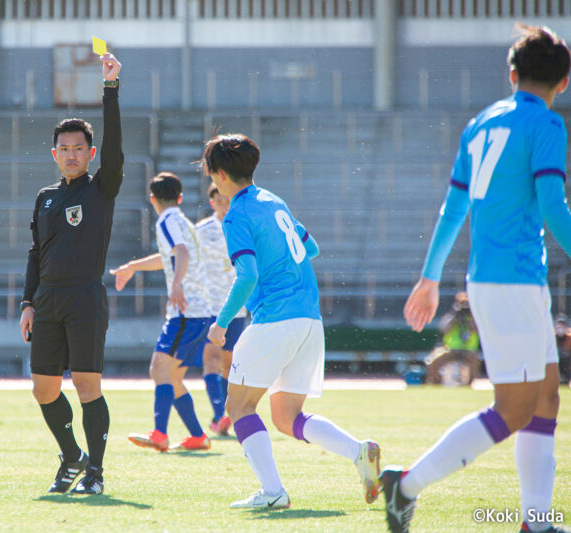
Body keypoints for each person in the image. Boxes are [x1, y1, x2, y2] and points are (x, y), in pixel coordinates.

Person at [386, 25, 571, 533]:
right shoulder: (547, 126)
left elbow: (454, 207)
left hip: (498, 280)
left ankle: (536, 521)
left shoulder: (480, 123)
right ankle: (405, 485)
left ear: (512, 75)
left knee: (548, 396)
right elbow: (555, 208)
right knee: (512, 410)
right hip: (513, 282)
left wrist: (430, 276)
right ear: (565, 81)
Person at [202, 134, 382, 509]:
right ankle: (358, 451)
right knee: (287, 417)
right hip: (309, 319)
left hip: (274, 320)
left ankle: (273, 493)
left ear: (218, 174)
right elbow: (311, 248)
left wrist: (221, 324)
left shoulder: (235, 214)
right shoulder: (273, 200)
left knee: (239, 408)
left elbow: (247, 275)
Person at [19, 53, 123, 496]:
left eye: (79, 148)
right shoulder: (44, 197)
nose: (71, 154)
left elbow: (116, 148)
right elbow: (35, 252)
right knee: (43, 390)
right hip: (47, 300)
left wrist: (110, 90)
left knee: (85, 385)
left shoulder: (101, 188)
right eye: (64, 148)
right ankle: (72, 456)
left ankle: (95, 473)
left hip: (84, 297)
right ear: (54, 153)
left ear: (91, 153)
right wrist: (27, 301)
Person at [110, 172, 212, 452]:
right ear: (180, 198)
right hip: (200, 310)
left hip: (185, 311)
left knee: (158, 368)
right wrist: (132, 266)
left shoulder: (166, 221)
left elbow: (181, 252)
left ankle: (159, 433)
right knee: (172, 377)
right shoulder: (183, 221)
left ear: (152, 199)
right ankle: (198, 436)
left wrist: (176, 286)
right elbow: (170, 256)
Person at [195, 183, 251, 436]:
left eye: (228, 201)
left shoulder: (242, 228)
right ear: (212, 203)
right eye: (220, 201)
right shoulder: (201, 231)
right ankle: (219, 415)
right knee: (211, 361)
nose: (224, 206)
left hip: (235, 307)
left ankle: (225, 415)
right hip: (208, 306)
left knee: (228, 365)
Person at [423, 291, 481, 385]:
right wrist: (455, 315)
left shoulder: (474, 318)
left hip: (468, 350)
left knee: (474, 361)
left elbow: (475, 329)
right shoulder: (452, 317)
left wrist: (471, 315)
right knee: (432, 362)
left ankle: (469, 384)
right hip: (450, 349)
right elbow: (444, 328)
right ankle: (435, 383)